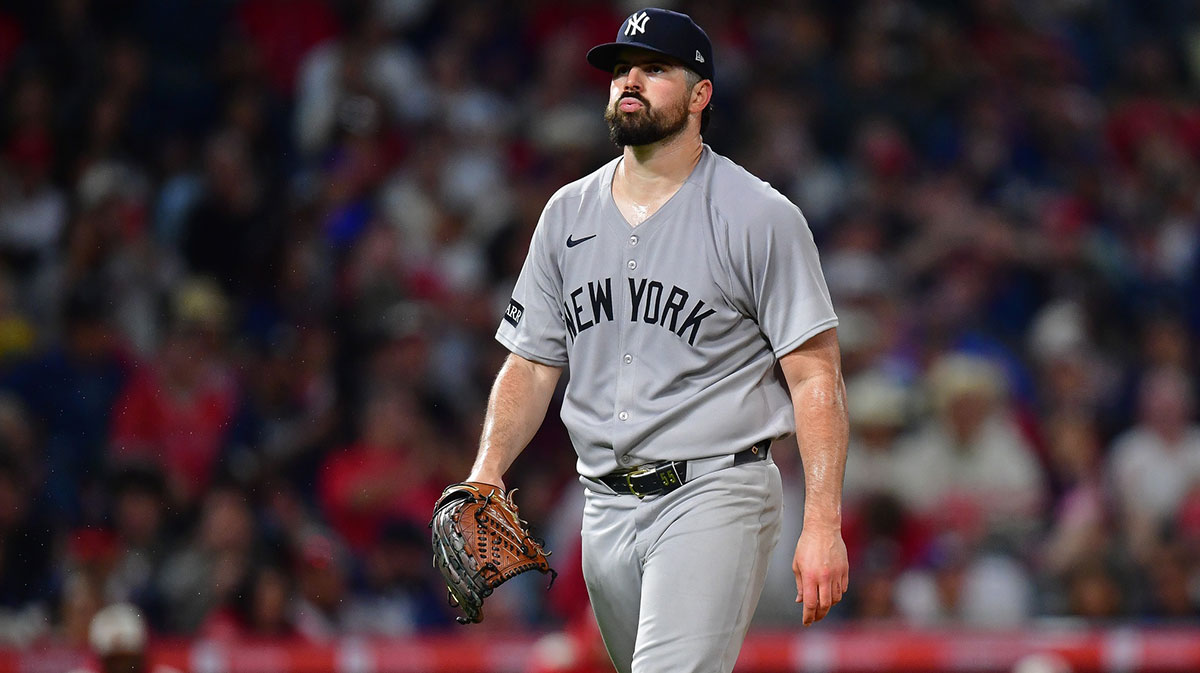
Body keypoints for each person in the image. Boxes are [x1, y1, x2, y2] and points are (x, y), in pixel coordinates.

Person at [463, 8, 849, 673]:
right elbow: (530, 361)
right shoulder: (567, 214)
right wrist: (488, 469)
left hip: (713, 488)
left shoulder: (757, 214)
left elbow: (815, 376)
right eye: (621, 69)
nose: (630, 80)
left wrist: (822, 522)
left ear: (701, 94)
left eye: (653, 68)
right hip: (603, 508)